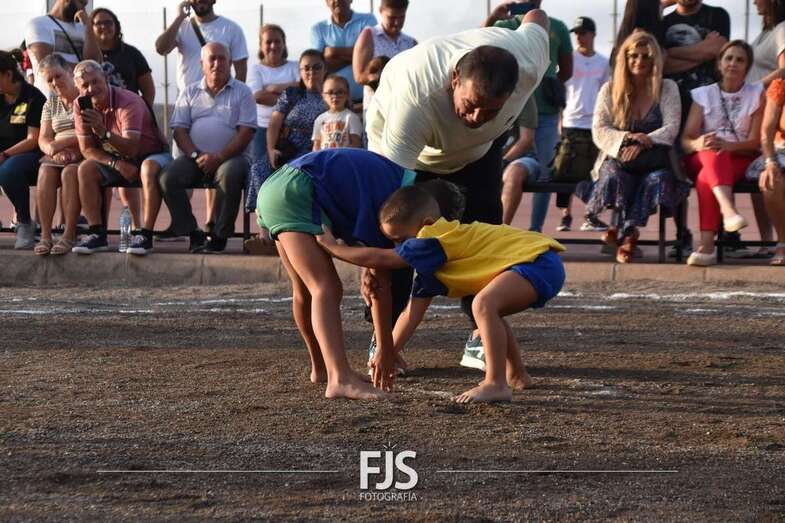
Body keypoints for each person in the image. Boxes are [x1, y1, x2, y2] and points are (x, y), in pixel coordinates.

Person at [366, 7, 549, 370]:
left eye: (490, 110)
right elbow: (389, 189)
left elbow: (537, 17)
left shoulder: (529, 61)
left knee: (485, 234)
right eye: (471, 105)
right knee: (402, 236)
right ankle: (384, 336)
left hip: (478, 153)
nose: (477, 117)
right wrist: (371, 259)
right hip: (411, 156)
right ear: (454, 80)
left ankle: (482, 332)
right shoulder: (415, 100)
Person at [316, 184, 565, 403]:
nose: (400, 247)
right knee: (489, 310)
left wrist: (333, 247)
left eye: (402, 239)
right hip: (539, 264)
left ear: (426, 225)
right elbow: (410, 315)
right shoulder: (430, 267)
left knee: (483, 305)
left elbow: (381, 259)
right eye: (394, 242)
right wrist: (386, 352)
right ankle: (517, 374)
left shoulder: (436, 238)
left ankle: (495, 383)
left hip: (538, 262)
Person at [256, 147, 464, 399]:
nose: (404, 246)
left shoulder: (397, 185)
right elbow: (380, 286)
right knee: (326, 288)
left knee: (304, 290)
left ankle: (321, 369)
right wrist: (385, 348)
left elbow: (352, 194)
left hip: (278, 186)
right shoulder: (396, 207)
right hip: (296, 191)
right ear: (427, 220)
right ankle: (339, 378)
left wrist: (369, 267)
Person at [586, 30, 689, 263]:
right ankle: (629, 235)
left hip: (657, 159)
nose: (639, 61)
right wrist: (628, 138)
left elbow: (672, 127)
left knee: (656, 180)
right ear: (625, 58)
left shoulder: (667, 87)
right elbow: (599, 129)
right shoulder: (610, 89)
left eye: (645, 56)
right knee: (615, 175)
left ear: (654, 59)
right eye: (633, 55)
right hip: (620, 157)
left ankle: (624, 232)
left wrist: (644, 141)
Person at [158, 42, 256, 254]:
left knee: (230, 174)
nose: (217, 63)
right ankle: (192, 231)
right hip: (195, 157)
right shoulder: (189, 92)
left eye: (222, 58)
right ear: (202, 64)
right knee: (167, 177)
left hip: (232, 157)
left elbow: (246, 133)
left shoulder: (243, 92)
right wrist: (196, 155)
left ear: (230, 62)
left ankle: (219, 235)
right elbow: (179, 130)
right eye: (212, 58)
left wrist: (219, 157)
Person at [486, 1, 573, 234]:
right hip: (509, 106)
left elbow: (566, 70)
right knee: (495, 170)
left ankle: (536, 230)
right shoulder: (503, 24)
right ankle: (493, 230)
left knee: (544, 174)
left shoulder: (557, 27)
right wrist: (493, 17)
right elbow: (481, 49)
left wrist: (543, 84)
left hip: (546, 111)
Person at [69, 60, 170, 255]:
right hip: (117, 157)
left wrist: (103, 132)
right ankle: (97, 234)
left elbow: (131, 148)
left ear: (106, 79)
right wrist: (116, 164)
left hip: (151, 154)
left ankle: (145, 235)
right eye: (85, 85)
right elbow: (87, 149)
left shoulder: (128, 101)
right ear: (78, 88)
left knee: (148, 168)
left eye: (95, 81)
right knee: (85, 169)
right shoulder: (79, 105)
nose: (91, 89)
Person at [681, 41, 764, 266]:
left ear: (747, 67)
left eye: (740, 60)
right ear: (719, 63)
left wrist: (727, 146)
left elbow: (755, 143)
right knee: (711, 151)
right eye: (728, 58)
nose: (733, 64)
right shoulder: (703, 94)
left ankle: (707, 247)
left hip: (741, 159)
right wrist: (698, 142)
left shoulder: (756, 94)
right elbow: (686, 141)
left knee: (705, 178)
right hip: (701, 157)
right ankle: (728, 211)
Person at [662, 0, 730, 258]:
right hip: (673, 107)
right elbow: (662, 64)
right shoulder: (664, 22)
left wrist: (673, 54)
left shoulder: (717, 16)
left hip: (711, 107)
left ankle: (723, 233)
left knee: (715, 165)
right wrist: (702, 50)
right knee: (676, 172)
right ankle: (681, 234)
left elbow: (718, 51)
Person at [91, 7, 156, 245]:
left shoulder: (131, 54)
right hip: (101, 120)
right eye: (98, 23)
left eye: (108, 22)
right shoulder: (89, 55)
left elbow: (148, 90)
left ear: (116, 26)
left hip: (129, 120)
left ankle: (137, 227)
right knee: (101, 176)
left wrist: (140, 114)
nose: (104, 27)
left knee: (129, 181)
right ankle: (99, 229)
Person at [247, 50, 328, 219]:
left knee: (301, 175)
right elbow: (274, 123)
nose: (311, 72)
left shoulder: (331, 93)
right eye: (306, 68)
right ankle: (266, 221)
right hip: (291, 147)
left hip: (319, 148)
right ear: (300, 71)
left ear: (324, 69)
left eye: (316, 67)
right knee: (259, 168)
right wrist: (271, 150)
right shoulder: (292, 94)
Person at [553, 16, 610, 232]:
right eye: (576, 33)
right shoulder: (569, 59)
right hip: (570, 121)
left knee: (592, 170)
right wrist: (560, 117)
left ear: (593, 34)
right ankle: (565, 215)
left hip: (594, 123)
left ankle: (591, 214)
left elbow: (606, 92)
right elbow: (561, 89)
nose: (579, 37)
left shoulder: (603, 62)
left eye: (583, 32)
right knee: (564, 168)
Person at [34, 54, 82, 256]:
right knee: (45, 172)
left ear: (70, 72)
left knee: (70, 173)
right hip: (58, 155)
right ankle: (45, 235)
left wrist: (62, 145)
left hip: (83, 150)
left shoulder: (84, 98)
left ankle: (69, 234)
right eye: (49, 80)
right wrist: (53, 151)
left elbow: (90, 134)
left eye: (58, 76)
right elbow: (43, 138)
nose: (54, 82)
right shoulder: (50, 104)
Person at [0, 51, 46, 250]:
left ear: (8, 74)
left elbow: (33, 139)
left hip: (30, 155)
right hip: (4, 156)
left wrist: (4, 154)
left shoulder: (33, 97)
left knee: (8, 170)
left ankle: (24, 223)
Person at [155, 0, 248, 92]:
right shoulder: (181, 27)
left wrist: (233, 96)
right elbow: (161, 49)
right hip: (187, 98)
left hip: (220, 97)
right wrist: (179, 18)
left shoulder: (232, 29)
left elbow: (241, 71)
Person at [744, 77, 785, 266]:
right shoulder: (780, 86)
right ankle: (783, 242)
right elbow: (766, 133)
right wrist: (770, 162)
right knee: (770, 181)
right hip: (780, 151)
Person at [24, 0, 101, 96]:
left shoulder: (82, 27)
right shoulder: (39, 24)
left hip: (79, 97)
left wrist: (89, 28)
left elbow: (95, 61)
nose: (83, 9)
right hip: (51, 98)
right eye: (81, 3)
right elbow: (46, 63)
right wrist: (86, 70)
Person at [246, 24, 299, 165]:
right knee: (260, 170)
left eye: (277, 41)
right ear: (261, 45)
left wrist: (275, 88)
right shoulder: (255, 69)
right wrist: (291, 92)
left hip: (292, 129)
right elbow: (258, 97)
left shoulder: (295, 66)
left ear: (284, 44)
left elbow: (303, 90)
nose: (273, 46)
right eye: (268, 42)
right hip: (262, 128)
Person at [352, 0, 417, 112]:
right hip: (376, 108)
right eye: (391, 17)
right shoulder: (369, 35)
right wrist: (379, 77)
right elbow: (359, 76)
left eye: (401, 17)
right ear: (381, 11)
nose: (397, 22)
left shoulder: (411, 43)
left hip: (404, 108)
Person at [310, 0, 377, 103]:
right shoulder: (318, 29)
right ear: (327, 2)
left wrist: (332, 52)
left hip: (367, 100)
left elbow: (374, 54)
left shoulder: (368, 19)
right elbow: (318, 65)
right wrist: (360, 58)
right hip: (333, 103)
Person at [312, 75, 362, 150]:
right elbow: (316, 146)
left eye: (340, 92)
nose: (335, 96)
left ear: (347, 95)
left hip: (344, 156)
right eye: (330, 92)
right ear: (323, 96)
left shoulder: (351, 117)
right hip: (325, 157)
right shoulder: (319, 119)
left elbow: (356, 144)